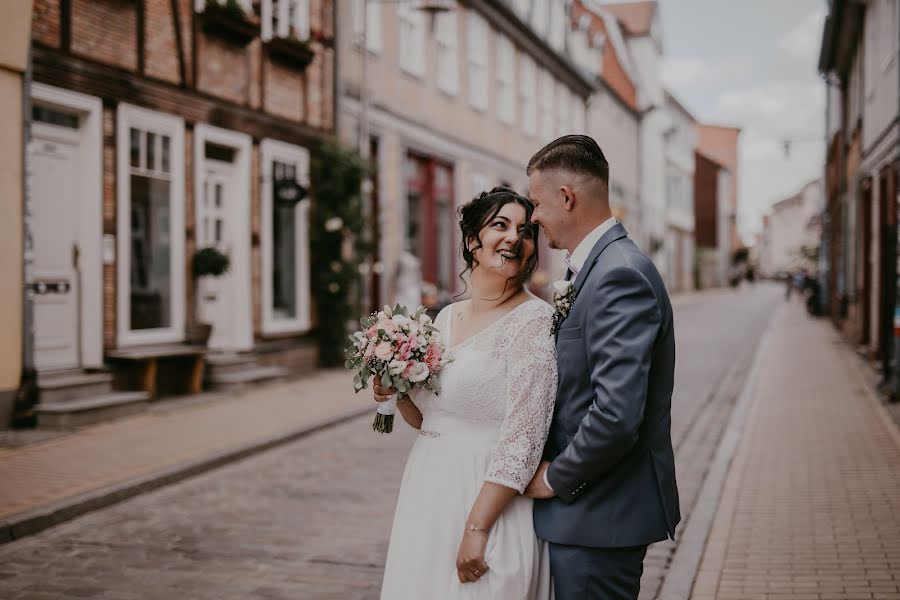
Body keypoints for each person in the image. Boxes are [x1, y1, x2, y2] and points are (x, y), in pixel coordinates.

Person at [374, 187, 558, 599]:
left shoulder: (534, 322)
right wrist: (396, 389)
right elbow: (430, 417)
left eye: (525, 231)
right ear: (473, 241)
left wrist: (477, 529)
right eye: (500, 225)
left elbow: (524, 440)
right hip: (428, 488)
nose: (514, 237)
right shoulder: (444, 317)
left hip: (487, 499)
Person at [523, 135, 681, 600]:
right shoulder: (592, 268)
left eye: (536, 203)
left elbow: (616, 415)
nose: (534, 217)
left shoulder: (619, 274)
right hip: (591, 516)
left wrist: (553, 477)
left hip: (600, 516)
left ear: (566, 197)